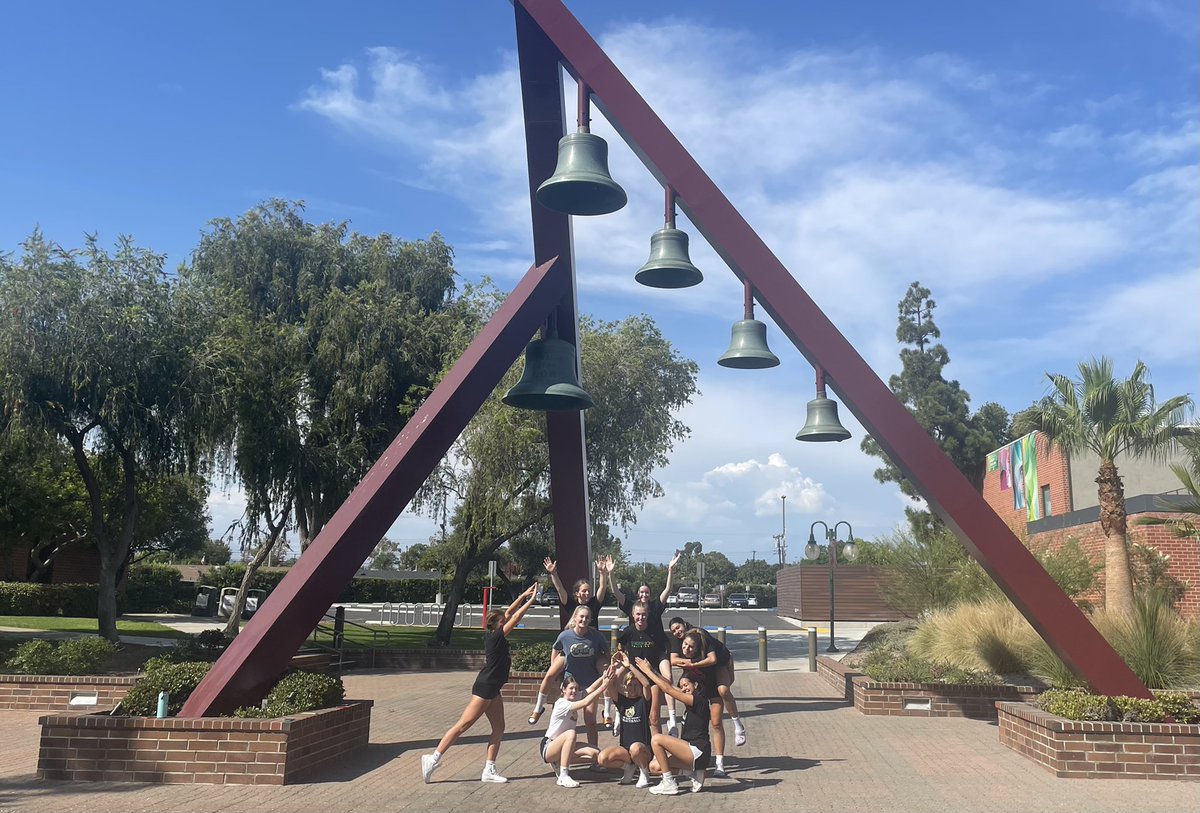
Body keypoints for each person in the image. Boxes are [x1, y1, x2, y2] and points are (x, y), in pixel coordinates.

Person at [421, 583, 539, 784]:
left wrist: (523, 595)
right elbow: (515, 617)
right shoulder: (495, 637)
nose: (506, 620)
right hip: (485, 687)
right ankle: (433, 759)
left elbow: (509, 612)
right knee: (463, 725)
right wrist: (531, 601)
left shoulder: (495, 634)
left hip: (493, 688)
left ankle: (489, 770)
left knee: (499, 727)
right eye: (503, 621)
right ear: (497, 624)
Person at [528, 556, 609, 726]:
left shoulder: (594, 604)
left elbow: (602, 588)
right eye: (583, 591)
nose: (586, 593)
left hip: (593, 649)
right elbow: (560, 589)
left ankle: (607, 711)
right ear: (577, 593)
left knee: (606, 674)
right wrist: (553, 574)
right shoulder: (570, 603)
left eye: (588, 591)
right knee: (550, 674)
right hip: (571, 648)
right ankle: (538, 707)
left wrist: (603, 573)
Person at [668, 618, 746, 776]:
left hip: (719, 670)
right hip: (701, 682)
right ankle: (690, 755)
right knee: (694, 720)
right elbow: (673, 660)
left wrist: (692, 664)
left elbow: (713, 659)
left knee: (717, 717)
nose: (686, 648)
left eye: (691, 647)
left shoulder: (702, 637)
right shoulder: (678, 641)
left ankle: (722, 759)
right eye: (673, 630)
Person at [634, 656, 712, 795]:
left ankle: (669, 783)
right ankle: (693, 773)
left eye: (686, 685)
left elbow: (667, 689)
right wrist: (653, 670)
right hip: (691, 752)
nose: (684, 689)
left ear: (695, 685)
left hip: (698, 750)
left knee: (656, 739)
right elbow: (669, 686)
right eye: (681, 686)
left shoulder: (699, 700)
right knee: (654, 766)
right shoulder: (691, 699)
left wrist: (647, 672)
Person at [541, 667, 616, 788]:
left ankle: (559, 761)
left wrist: (604, 677)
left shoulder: (574, 698)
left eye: (576, 688)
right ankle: (563, 776)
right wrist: (603, 687)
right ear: (563, 690)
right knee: (571, 733)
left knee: (595, 753)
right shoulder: (561, 703)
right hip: (549, 746)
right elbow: (585, 702)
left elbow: (590, 690)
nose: (574, 691)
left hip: (563, 746)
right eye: (571, 688)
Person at [547, 604, 609, 748]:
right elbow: (555, 649)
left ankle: (594, 752)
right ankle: (557, 749)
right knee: (565, 719)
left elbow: (606, 653)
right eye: (581, 617)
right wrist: (555, 670)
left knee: (590, 720)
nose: (584, 620)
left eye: (587, 617)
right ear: (575, 618)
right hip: (571, 684)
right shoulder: (565, 636)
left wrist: (607, 665)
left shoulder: (596, 636)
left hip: (590, 682)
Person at [614, 599, 674, 734]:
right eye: (638, 614)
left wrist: (665, 662)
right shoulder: (628, 631)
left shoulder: (655, 631)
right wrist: (620, 656)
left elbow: (666, 646)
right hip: (635, 678)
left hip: (652, 676)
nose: (640, 617)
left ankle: (658, 743)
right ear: (633, 615)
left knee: (654, 718)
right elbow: (619, 645)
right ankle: (620, 718)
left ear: (648, 615)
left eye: (643, 614)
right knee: (635, 715)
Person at [597, 650, 654, 787]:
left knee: (636, 748)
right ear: (625, 686)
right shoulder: (622, 701)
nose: (632, 688)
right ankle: (629, 768)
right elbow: (610, 686)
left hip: (643, 749)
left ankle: (644, 772)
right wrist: (613, 666)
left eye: (635, 685)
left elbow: (646, 684)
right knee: (602, 758)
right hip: (626, 750)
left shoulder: (644, 701)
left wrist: (630, 666)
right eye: (629, 685)